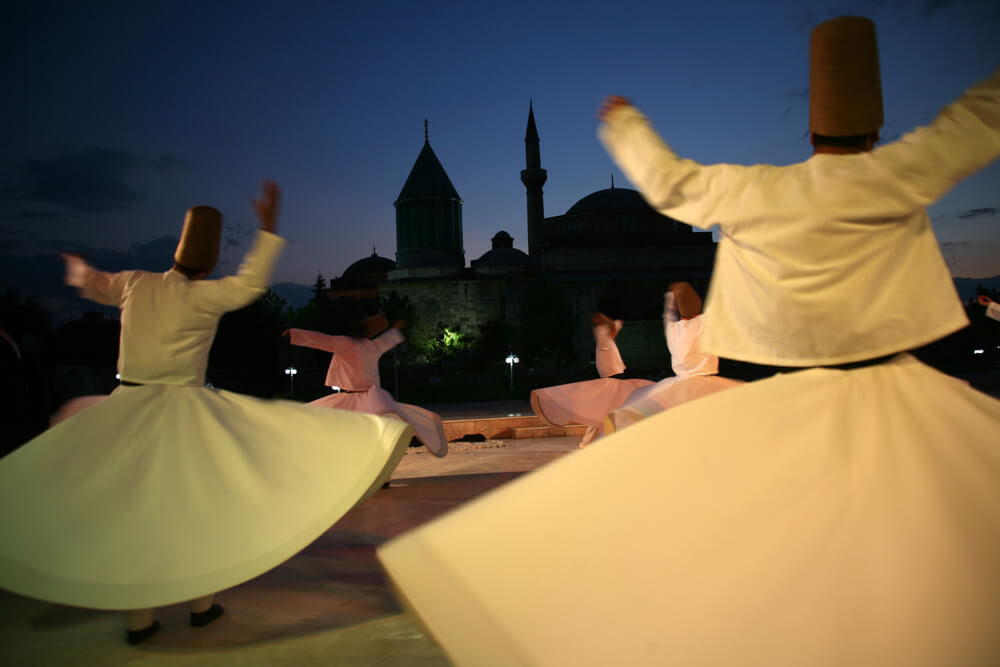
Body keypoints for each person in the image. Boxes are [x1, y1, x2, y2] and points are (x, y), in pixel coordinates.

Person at [376, 17, 1000, 665]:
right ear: (876, 130)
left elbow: (674, 184)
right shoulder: (901, 172)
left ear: (810, 130)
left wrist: (626, 124)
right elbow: (977, 122)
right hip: (906, 398)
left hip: (798, 398)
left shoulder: (767, 188)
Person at [0, 182, 414, 645]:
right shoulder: (205, 296)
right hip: (182, 413)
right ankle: (200, 605)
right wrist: (268, 228)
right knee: (194, 507)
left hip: (129, 408)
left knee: (140, 510)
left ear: (178, 248)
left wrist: (77, 271)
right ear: (212, 258)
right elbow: (251, 284)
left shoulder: (136, 283)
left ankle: (140, 618)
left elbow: (95, 284)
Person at [284, 317, 448, 458]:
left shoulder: (345, 343)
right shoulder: (372, 346)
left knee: (349, 434)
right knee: (373, 436)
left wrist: (295, 334)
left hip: (354, 398)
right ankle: (378, 471)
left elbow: (321, 339)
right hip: (371, 398)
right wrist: (395, 329)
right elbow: (387, 340)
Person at [605, 282, 742, 433]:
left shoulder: (674, 329)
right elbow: (718, 303)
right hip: (707, 381)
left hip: (680, 384)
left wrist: (670, 297)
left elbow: (668, 315)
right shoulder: (706, 324)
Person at [529, 313, 652, 446]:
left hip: (614, 382)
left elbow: (613, 330)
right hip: (611, 381)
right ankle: (589, 441)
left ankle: (596, 440)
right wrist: (610, 322)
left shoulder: (606, 341)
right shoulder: (603, 339)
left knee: (607, 412)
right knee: (604, 412)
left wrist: (612, 323)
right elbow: (612, 329)